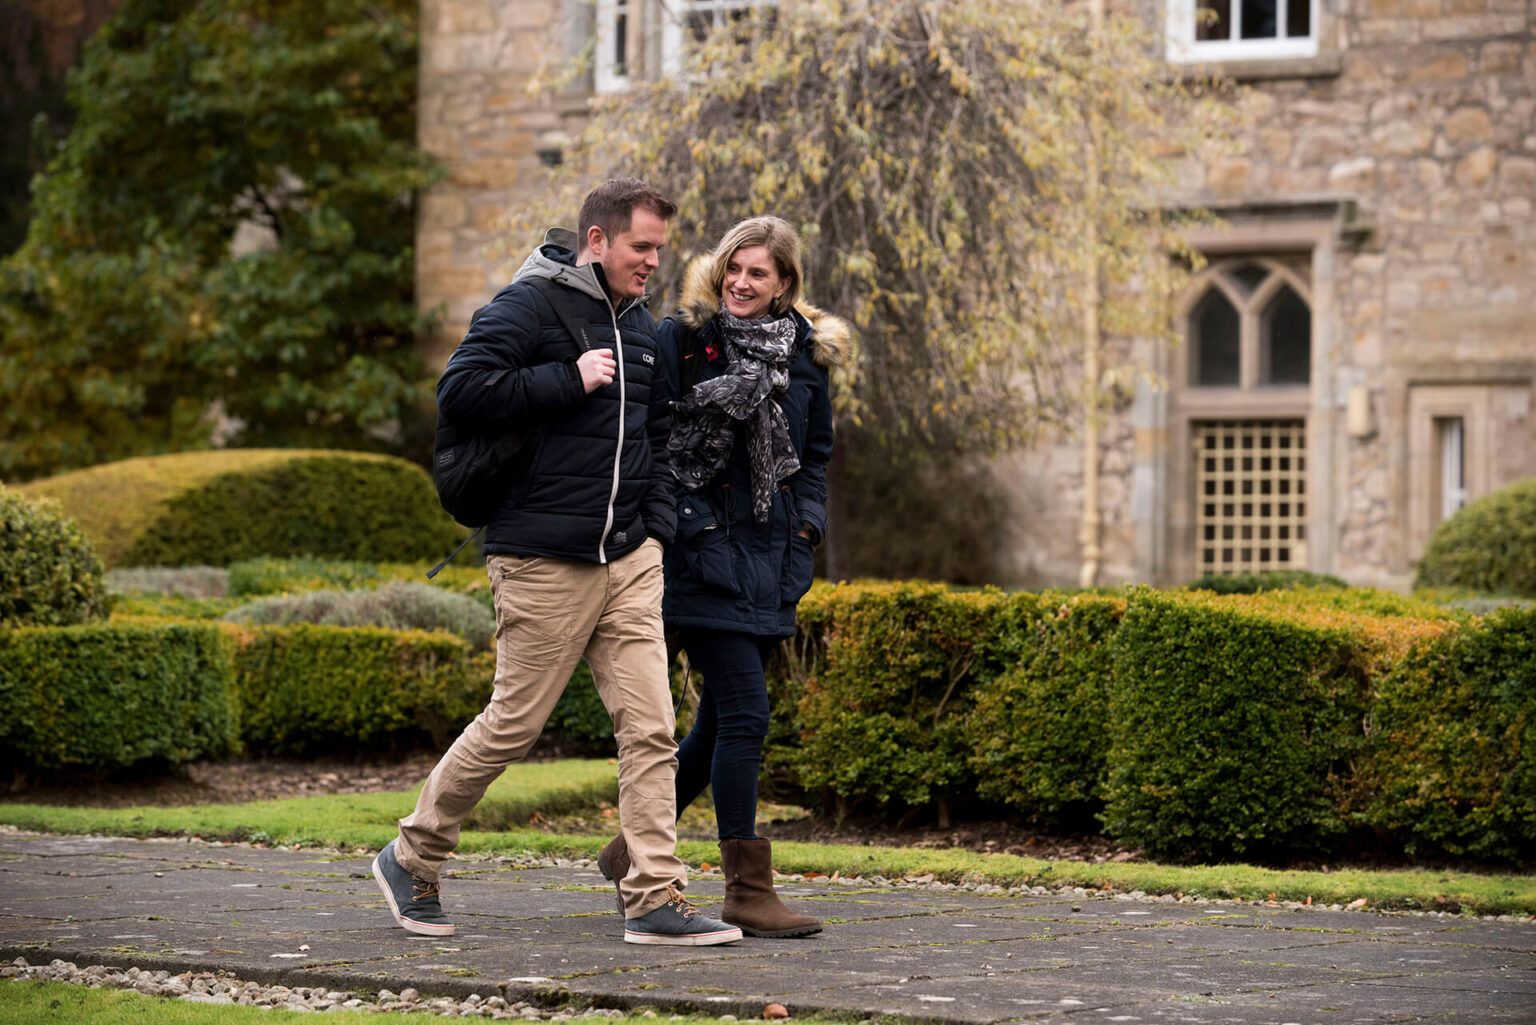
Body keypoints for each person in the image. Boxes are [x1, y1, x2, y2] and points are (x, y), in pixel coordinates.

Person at [372, 178, 741, 948]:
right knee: (514, 723)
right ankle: (413, 855)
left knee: (651, 728)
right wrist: (565, 377)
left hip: (630, 555)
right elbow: (461, 390)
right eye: (642, 246)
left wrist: (656, 526)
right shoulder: (529, 304)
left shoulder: (641, 327)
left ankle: (653, 896)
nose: (653, 262)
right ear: (598, 241)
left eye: (660, 250)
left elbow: (656, 434)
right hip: (542, 555)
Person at [598, 216, 847, 938]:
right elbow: (659, 440)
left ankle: (630, 852)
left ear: (785, 284)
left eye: (758, 273)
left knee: (715, 722)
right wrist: (696, 527)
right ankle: (746, 888)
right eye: (733, 267)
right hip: (698, 558)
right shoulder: (684, 340)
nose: (741, 282)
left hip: (775, 559)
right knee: (746, 712)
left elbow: (817, 452)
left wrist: (807, 526)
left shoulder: (804, 358)